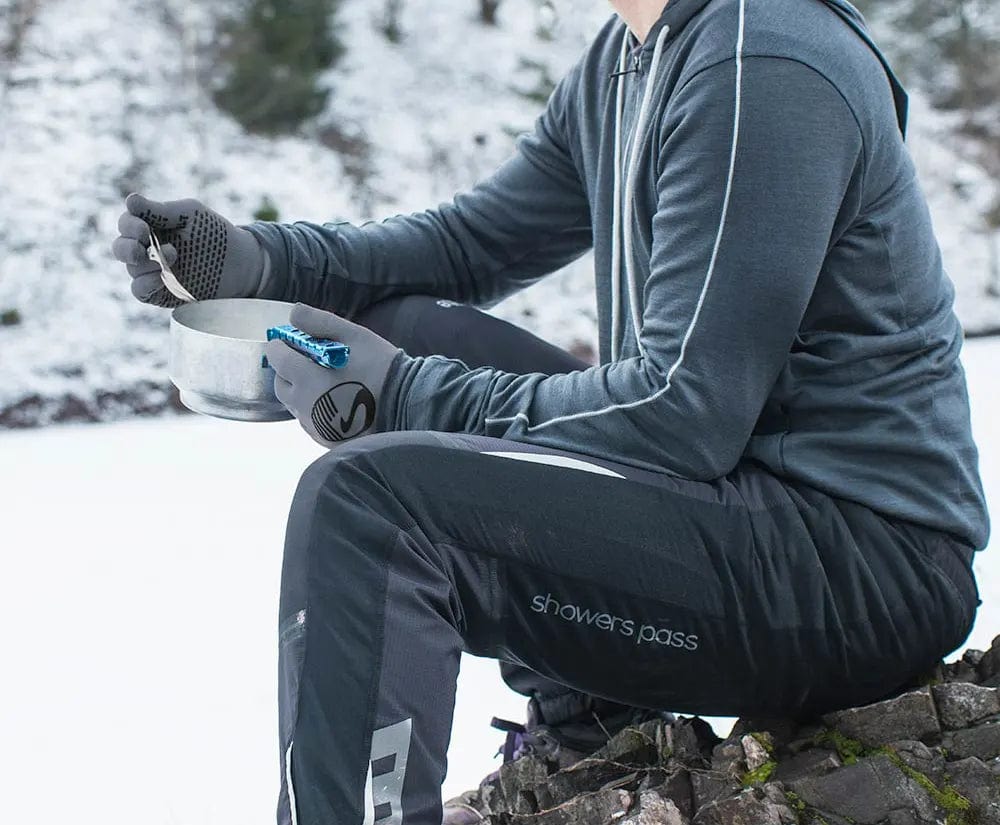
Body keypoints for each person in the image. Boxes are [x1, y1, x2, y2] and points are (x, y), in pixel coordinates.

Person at [112, 0, 990, 822]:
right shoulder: (632, 55)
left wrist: (404, 393)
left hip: (860, 567)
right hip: (751, 516)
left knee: (370, 506)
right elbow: (469, 244)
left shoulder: (762, 63)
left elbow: (681, 413)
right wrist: (265, 261)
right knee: (411, 328)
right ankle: (595, 723)